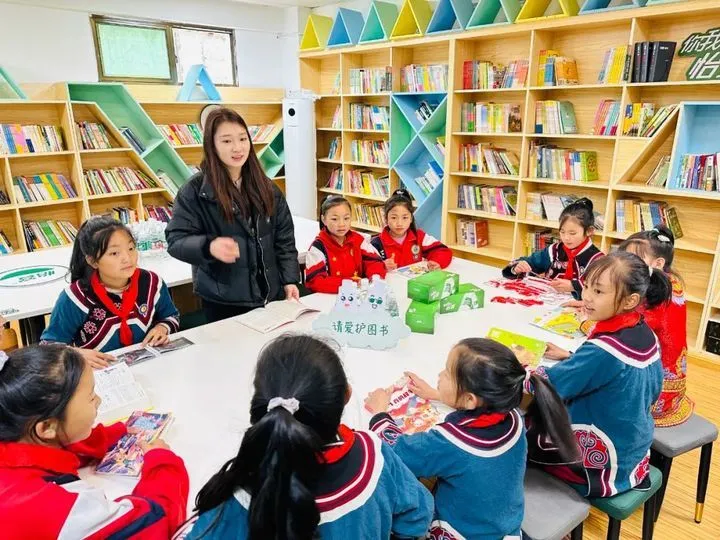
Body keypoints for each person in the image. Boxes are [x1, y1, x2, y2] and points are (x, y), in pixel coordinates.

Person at [177, 334, 434, 539]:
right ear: (346, 395)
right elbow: (417, 516)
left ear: (261, 405)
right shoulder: (374, 457)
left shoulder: (239, 495)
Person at [365, 338, 576, 539]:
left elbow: (397, 451)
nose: (439, 375)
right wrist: (438, 395)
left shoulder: (449, 442)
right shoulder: (513, 416)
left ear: (470, 399)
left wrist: (379, 413)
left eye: (447, 372)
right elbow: (477, 410)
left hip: (461, 532)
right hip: (505, 526)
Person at [0, 344, 189, 538]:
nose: (98, 401)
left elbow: (59, 448)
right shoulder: (49, 507)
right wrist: (162, 463)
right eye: (91, 397)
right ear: (47, 427)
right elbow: (155, 523)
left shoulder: (16, 434)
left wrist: (115, 433)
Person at [532, 252, 667, 497]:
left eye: (598, 291)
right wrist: (571, 358)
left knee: (520, 430)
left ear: (630, 300)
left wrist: (524, 371)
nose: (586, 297)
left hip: (601, 464)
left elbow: (550, 385)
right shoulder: (646, 332)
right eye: (586, 287)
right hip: (634, 447)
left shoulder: (603, 350)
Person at [165, 107, 300, 323]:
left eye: (243, 139)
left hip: (270, 295)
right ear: (212, 145)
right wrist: (208, 246)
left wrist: (289, 280)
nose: (237, 148)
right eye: (227, 141)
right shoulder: (195, 191)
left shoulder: (266, 187)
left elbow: (284, 239)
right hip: (223, 301)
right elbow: (175, 240)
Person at [41, 217, 179, 369]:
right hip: (99, 374)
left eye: (131, 248)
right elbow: (48, 347)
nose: (127, 258)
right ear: (93, 261)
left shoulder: (152, 283)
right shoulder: (76, 297)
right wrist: (76, 354)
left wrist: (162, 328)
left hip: (151, 366)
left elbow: (171, 316)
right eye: (114, 253)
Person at [618, 226, 693, 426]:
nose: (627, 264)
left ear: (658, 263)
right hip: (672, 381)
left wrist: (588, 321)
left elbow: (629, 324)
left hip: (657, 394)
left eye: (634, 259)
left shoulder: (658, 293)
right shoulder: (669, 281)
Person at [502, 198, 603, 298]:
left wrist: (574, 286)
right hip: (548, 302)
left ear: (589, 231)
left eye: (572, 233)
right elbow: (530, 262)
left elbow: (601, 291)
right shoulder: (554, 250)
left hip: (580, 306)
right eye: (562, 232)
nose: (566, 238)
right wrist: (517, 268)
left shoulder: (598, 260)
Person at [304, 195, 386, 293]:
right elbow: (316, 282)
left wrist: (375, 278)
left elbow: (374, 262)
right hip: (330, 297)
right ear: (323, 219)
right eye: (334, 219)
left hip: (358, 294)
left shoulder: (358, 240)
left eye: (346, 218)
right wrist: (350, 283)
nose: (341, 224)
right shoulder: (318, 247)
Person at [370, 189, 452, 272]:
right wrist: (382, 266)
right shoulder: (376, 244)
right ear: (386, 219)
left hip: (415, 280)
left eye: (405, 217)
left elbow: (443, 251)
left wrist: (436, 262)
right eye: (394, 217)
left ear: (411, 219)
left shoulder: (419, 236)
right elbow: (367, 268)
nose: (399, 223)